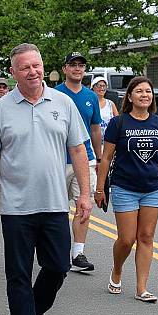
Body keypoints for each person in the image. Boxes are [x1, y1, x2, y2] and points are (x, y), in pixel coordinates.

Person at [0, 43, 91, 315]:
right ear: (13, 73)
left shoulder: (63, 103)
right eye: (25, 67)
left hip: (54, 204)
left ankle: (36, 310)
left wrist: (84, 193)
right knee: (18, 275)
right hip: (15, 208)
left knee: (57, 266)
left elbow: (79, 151)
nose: (33, 71)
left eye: (37, 65)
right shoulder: (0, 109)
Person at [95, 76, 158, 303]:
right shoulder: (119, 123)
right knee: (126, 239)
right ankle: (117, 270)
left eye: (148, 91)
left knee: (146, 236)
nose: (145, 95)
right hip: (124, 186)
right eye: (139, 91)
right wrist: (99, 188)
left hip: (153, 187)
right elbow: (106, 158)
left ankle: (141, 288)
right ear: (130, 97)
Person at [56, 52, 101, 273]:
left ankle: (78, 253)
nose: (77, 69)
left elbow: (95, 128)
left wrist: (99, 157)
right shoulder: (55, 94)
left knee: (84, 206)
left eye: (81, 65)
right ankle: (60, 251)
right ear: (64, 69)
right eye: (72, 65)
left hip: (86, 159)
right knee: (58, 209)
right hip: (59, 160)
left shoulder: (91, 96)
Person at [91, 76, 119, 141]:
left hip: (108, 141)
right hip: (92, 142)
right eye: (99, 86)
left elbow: (118, 122)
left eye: (104, 86)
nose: (102, 88)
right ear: (93, 87)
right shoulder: (89, 103)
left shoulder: (110, 104)